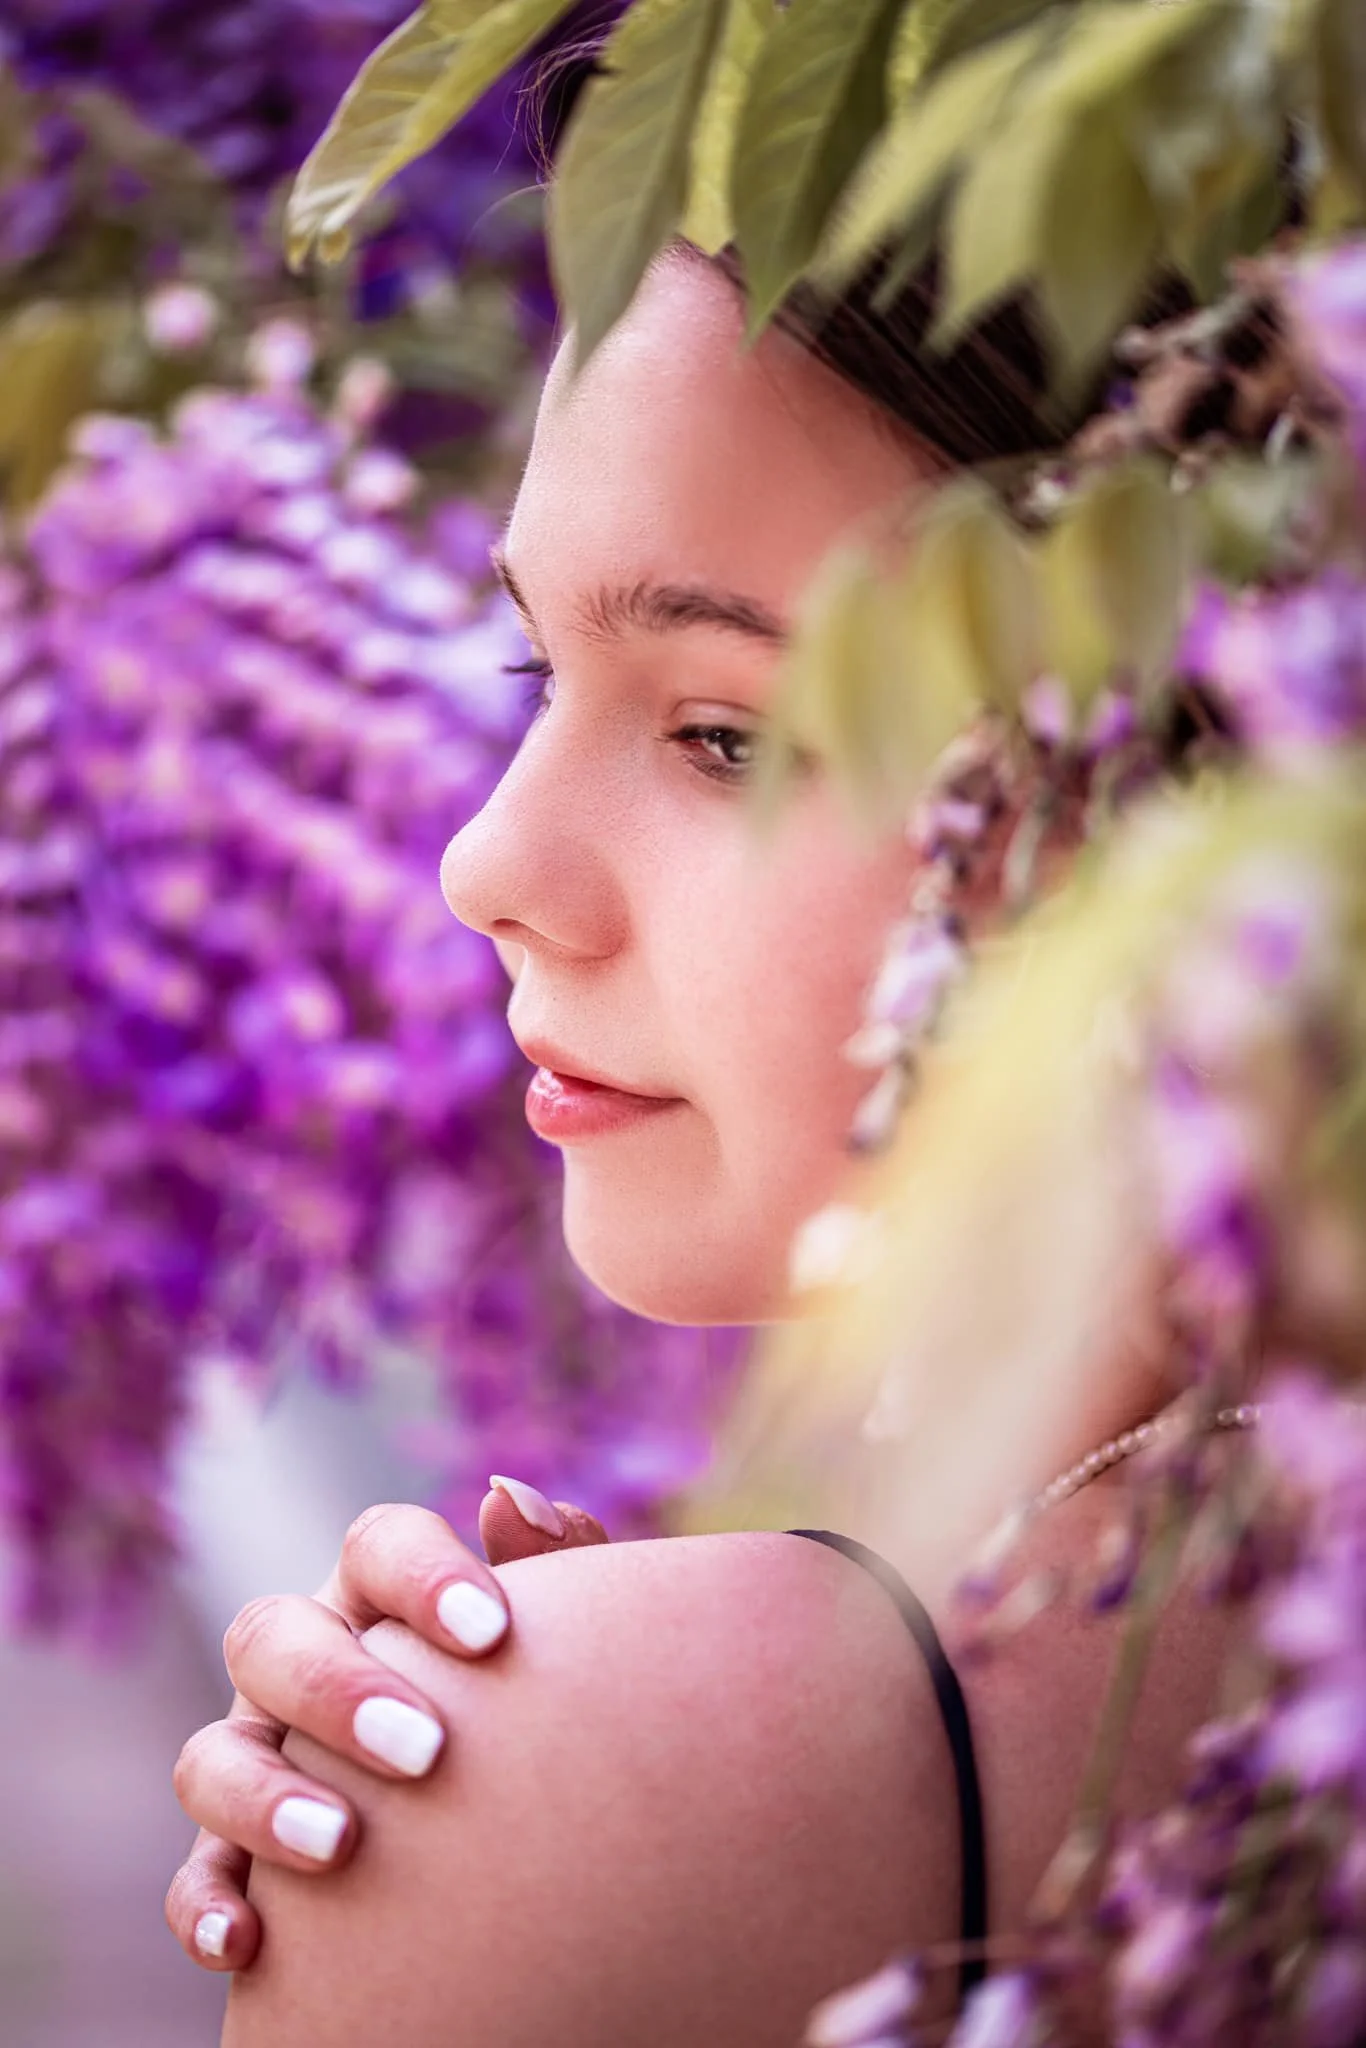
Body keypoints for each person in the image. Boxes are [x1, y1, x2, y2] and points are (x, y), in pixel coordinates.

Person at [165, 242, 1235, 2046]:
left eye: (725, 736)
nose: (484, 869)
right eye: (530, 672)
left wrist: (581, 1788)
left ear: (1194, 782)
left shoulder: (603, 1775)